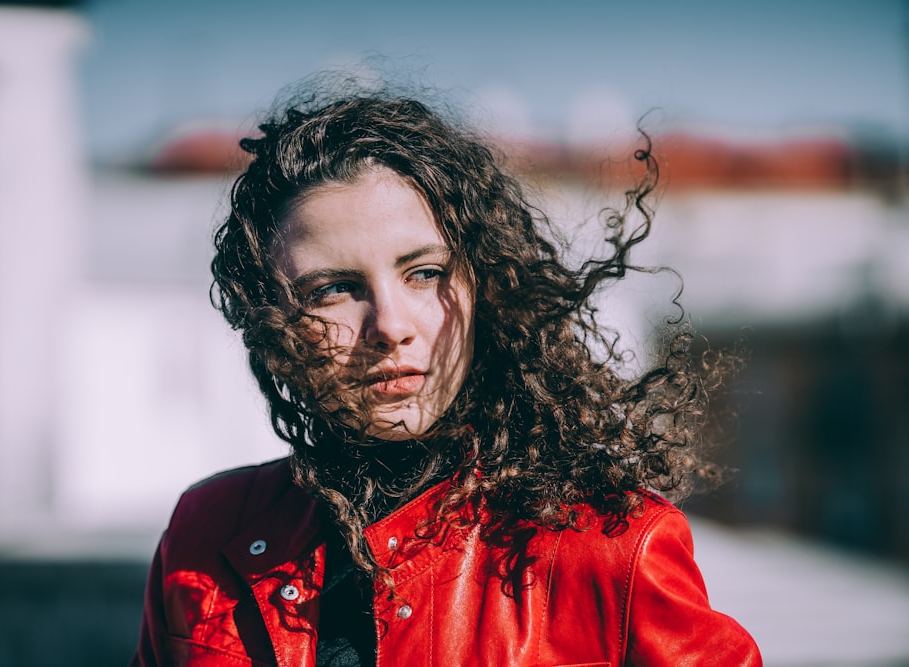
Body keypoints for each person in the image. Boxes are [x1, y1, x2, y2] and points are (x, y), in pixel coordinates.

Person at [131, 84, 762, 666]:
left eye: (425, 273)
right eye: (333, 289)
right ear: (270, 321)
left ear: (484, 283)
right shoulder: (208, 532)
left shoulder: (611, 549)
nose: (390, 325)